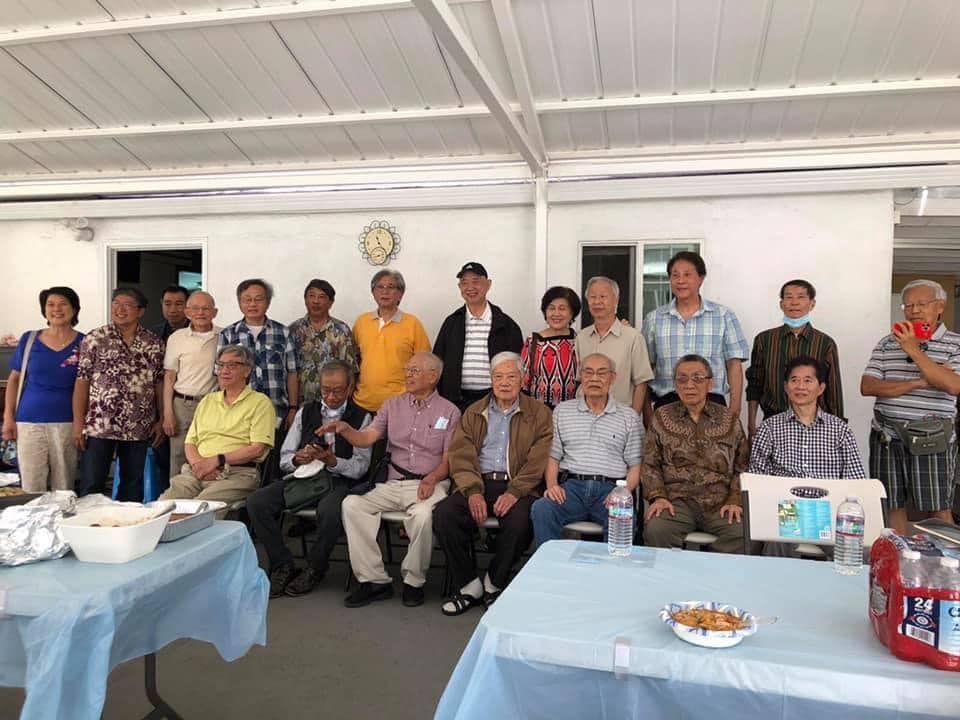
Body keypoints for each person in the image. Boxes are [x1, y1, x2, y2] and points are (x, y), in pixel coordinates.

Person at [335, 352, 459, 608]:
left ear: (433, 376)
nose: (408, 375)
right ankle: (374, 580)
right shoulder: (392, 406)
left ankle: (414, 581)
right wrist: (347, 431)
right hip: (394, 483)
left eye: (414, 371)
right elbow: (367, 438)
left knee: (423, 515)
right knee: (352, 505)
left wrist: (432, 478)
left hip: (431, 483)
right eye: (407, 370)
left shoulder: (450, 411)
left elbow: (449, 460)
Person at [433, 352, 552, 616]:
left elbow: (538, 460)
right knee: (444, 515)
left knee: (521, 522)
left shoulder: (539, 413)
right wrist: (473, 491)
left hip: (518, 485)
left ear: (523, 379)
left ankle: (494, 582)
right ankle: (469, 585)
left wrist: (514, 492)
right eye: (498, 377)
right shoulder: (474, 411)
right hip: (478, 481)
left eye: (511, 376)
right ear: (491, 379)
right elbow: (461, 456)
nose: (504, 382)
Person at [246, 359, 371, 599]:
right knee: (257, 502)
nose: (331, 397)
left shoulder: (362, 417)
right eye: (326, 390)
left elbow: (361, 467)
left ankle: (315, 567)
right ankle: (282, 563)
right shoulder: (306, 412)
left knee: (331, 510)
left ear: (350, 388)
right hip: (304, 476)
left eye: (338, 391)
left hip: (339, 479)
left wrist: (332, 461)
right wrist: (297, 459)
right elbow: (285, 458)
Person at [861, 279, 960, 535]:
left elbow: (953, 385)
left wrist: (912, 349)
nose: (914, 310)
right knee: (891, 504)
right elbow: (868, 386)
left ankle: (948, 559)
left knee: (938, 507)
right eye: (908, 305)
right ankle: (898, 555)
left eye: (921, 304)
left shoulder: (955, 344)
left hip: (932, 436)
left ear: (940, 306)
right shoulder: (887, 342)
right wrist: (922, 381)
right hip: (886, 435)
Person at [530, 353, 643, 547]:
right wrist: (552, 485)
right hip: (572, 488)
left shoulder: (629, 416)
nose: (594, 378)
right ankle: (552, 564)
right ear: (581, 377)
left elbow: (635, 465)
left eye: (602, 373)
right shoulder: (562, 411)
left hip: (611, 489)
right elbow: (553, 457)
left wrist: (623, 492)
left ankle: (612, 566)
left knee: (623, 516)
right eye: (588, 372)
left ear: (613, 378)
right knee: (542, 509)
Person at [642, 354, 749, 553]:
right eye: (682, 379)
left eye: (698, 378)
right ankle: (672, 573)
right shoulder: (661, 417)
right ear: (675, 384)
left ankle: (710, 571)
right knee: (657, 529)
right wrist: (658, 497)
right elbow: (650, 463)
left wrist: (735, 500)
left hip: (720, 502)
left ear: (710, 383)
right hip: (676, 501)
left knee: (743, 532)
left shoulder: (729, 419)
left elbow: (742, 466)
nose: (689, 385)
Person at [73, 287, 164, 501]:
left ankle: (125, 522)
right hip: (99, 424)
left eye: (127, 305)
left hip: (138, 424)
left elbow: (159, 383)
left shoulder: (153, 343)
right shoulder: (95, 338)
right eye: (116, 304)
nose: (120, 309)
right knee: (92, 484)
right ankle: (91, 521)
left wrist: (161, 419)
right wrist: (78, 423)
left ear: (140, 311)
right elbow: (82, 381)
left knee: (132, 486)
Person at [159, 345, 275, 504]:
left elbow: (257, 449)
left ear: (247, 371)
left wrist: (217, 460)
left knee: (201, 509)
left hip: (236, 474)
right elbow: (190, 442)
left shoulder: (260, 403)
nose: (224, 371)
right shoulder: (208, 400)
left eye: (232, 365)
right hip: (196, 471)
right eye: (220, 365)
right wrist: (200, 466)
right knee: (164, 506)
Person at [642, 251, 749, 414]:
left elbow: (734, 365)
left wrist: (734, 410)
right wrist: (647, 413)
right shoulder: (654, 319)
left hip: (712, 403)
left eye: (687, 275)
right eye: (675, 275)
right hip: (667, 403)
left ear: (701, 278)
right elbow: (644, 368)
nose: (681, 281)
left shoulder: (723, 316)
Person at [2, 287, 84, 492]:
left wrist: (80, 424)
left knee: (64, 486)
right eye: (50, 304)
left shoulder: (85, 342)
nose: (56, 309)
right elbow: (14, 380)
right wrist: (8, 418)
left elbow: (88, 386)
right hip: (29, 422)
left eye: (63, 304)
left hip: (68, 423)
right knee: (31, 485)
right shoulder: (29, 339)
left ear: (74, 309)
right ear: (44, 310)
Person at [746, 279, 843, 440]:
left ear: (812, 304)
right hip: (773, 423)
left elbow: (833, 390)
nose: (794, 302)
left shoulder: (825, 343)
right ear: (781, 304)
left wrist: (837, 429)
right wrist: (751, 425)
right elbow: (755, 384)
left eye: (801, 297)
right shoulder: (765, 340)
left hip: (815, 425)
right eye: (789, 297)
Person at [750, 356, 865, 480]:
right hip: (782, 493)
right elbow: (756, 479)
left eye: (807, 380)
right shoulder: (769, 428)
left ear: (821, 388)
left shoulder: (840, 430)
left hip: (829, 493)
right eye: (794, 380)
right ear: (786, 387)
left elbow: (855, 480)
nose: (800, 386)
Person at [433, 262, 524, 413]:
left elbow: (519, 365)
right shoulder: (452, 323)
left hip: (495, 401)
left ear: (488, 284)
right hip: (456, 402)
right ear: (459, 287)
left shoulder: (506, 324)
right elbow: (437, 361)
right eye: (464, 283)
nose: (470, 287)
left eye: (476, 281)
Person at [218, 278, 299, 430]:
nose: (252, 304)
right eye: (247, 299)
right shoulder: (228, 334)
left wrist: (293, 408)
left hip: (277, 412)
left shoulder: (283, 332)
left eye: (258, 299)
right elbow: (221, 375)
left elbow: (292, 372)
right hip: (238, 414)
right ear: (239, 303)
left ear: (268, 303)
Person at [352, 270, 431, 414]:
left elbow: (424, 365)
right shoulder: (361, 322)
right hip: (362, 403)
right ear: (373, 292)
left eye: (391, 287)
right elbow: (354, 361)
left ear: (400, 294)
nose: (385, 291)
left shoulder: (412, 324)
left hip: (401, 405)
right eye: (380, 287)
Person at [162, 291, 220, 480]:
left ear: (215, 312)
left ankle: (203, 494)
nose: (200, 313)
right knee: (179, 455)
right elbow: (169, 377)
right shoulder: (177, 338)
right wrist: (168, 413)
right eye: (195, 308)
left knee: (209, 452)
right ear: (187, 312)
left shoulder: (224, 336)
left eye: (206, 308)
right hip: (182, 405)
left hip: (212, 404)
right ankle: (177, 494)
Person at [575, 276, 653, 415]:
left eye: (603, 296)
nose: (597, 302)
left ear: (616, 300)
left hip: (620, 417)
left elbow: (641, 383)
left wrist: (633, 417)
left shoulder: (633, 337)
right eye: (592, 297)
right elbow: (580, 380)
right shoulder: (582, 337)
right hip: (584, 416)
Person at [288, 279, 358, 406]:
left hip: (334, 403)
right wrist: (292, 406)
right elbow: (289, 370)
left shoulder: (341, 330)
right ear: (305, 300)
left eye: (321, 297)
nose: (316, 301)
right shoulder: (293, 330)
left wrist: (346, 404)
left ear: (330, 302)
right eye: (311, 296)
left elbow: (351, 371)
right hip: (301, 404)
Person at [521, 286, 581, 409]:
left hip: (572, 412)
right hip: (538, 412)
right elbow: (523, 382)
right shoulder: (533, 342)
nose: (556, 314)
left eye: (562, 308)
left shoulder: (579, 341)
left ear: (572, 313)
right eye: (551, 308)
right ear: (545, 312)